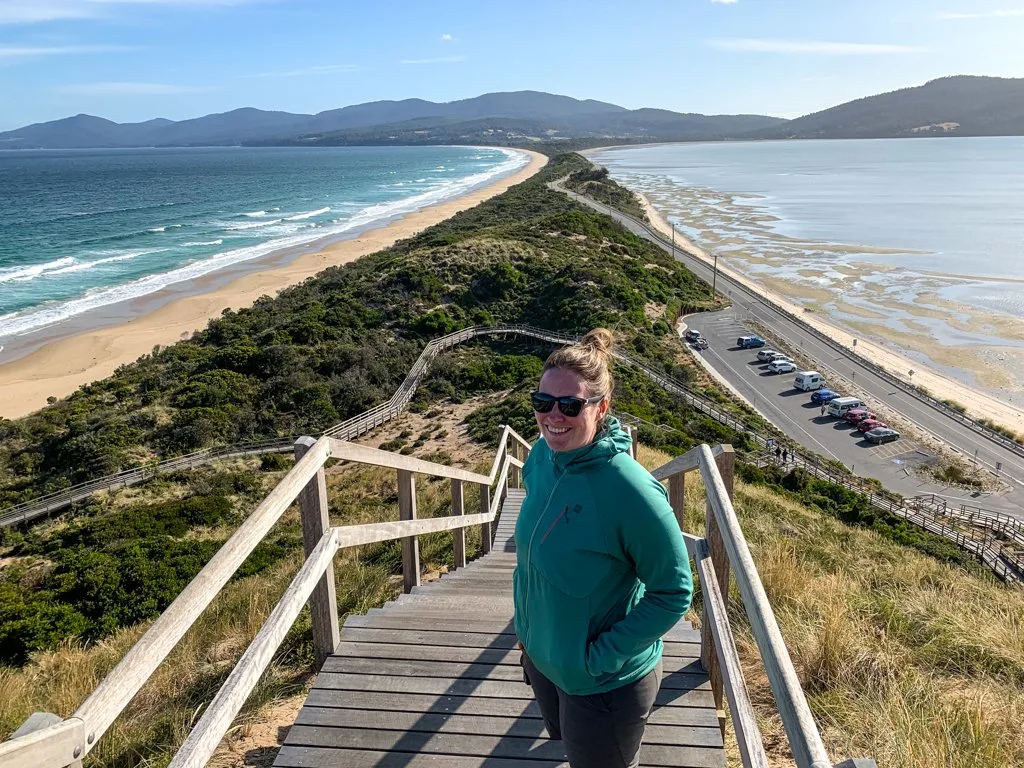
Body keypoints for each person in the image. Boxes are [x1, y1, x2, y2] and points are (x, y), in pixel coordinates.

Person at [514, 328, 693, 768]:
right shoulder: (541, 456)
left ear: (602, 408)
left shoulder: (631, 491)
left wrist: (599, 658)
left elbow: (673, 592)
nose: (553, 415)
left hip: (603, 685)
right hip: (545, 659)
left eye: (570, 405)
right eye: (543, 402)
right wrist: (530, 631)